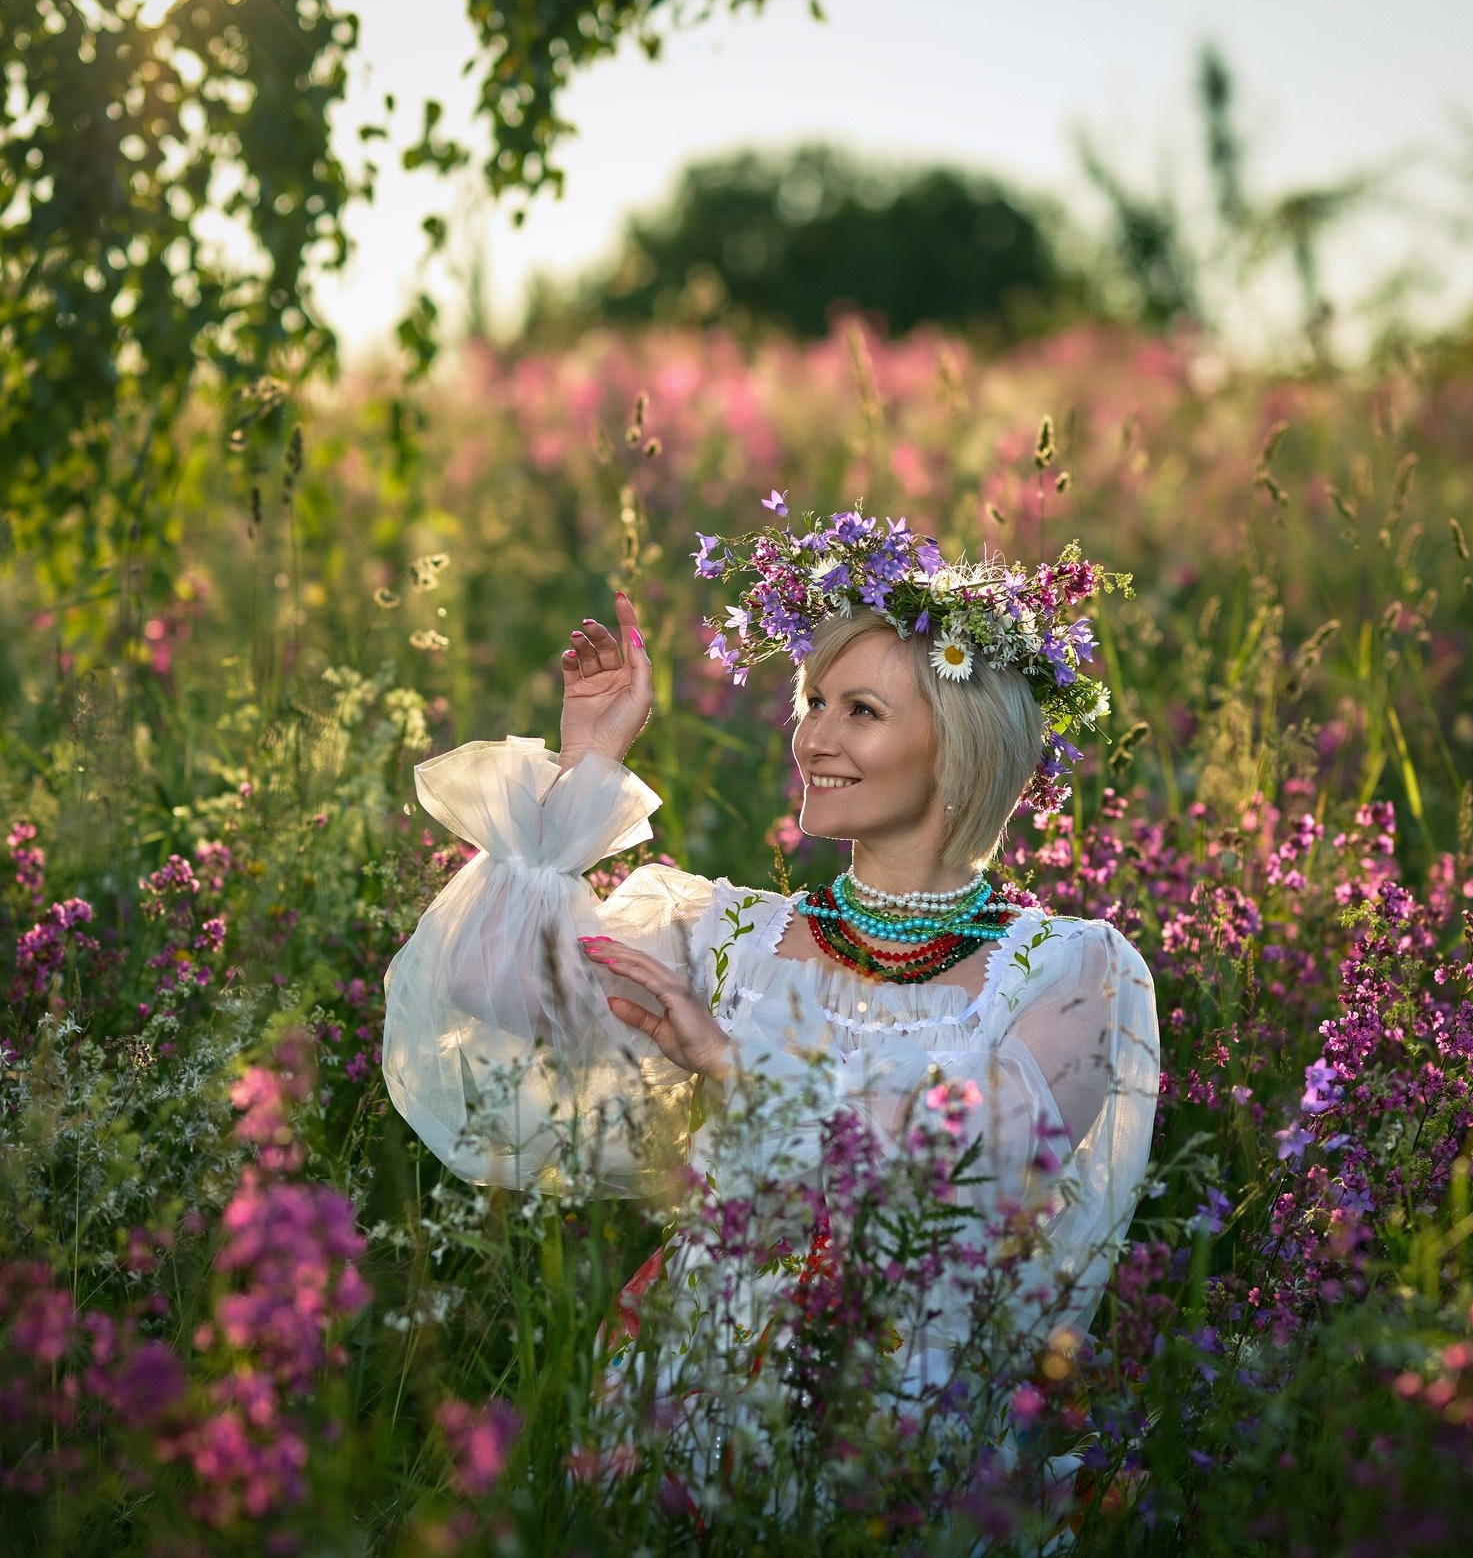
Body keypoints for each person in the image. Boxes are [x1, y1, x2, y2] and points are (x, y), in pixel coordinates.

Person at [381, 503, 1160, 1496]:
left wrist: (735, 1067)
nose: (812, 739)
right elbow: (489, 981)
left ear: (956, 748)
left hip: (904, 1410)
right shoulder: (729, 934)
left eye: (861, 712)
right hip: (686, 1383)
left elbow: (967, 1169)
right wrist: (590, 759)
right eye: (812, 702)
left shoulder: (1068, 967)